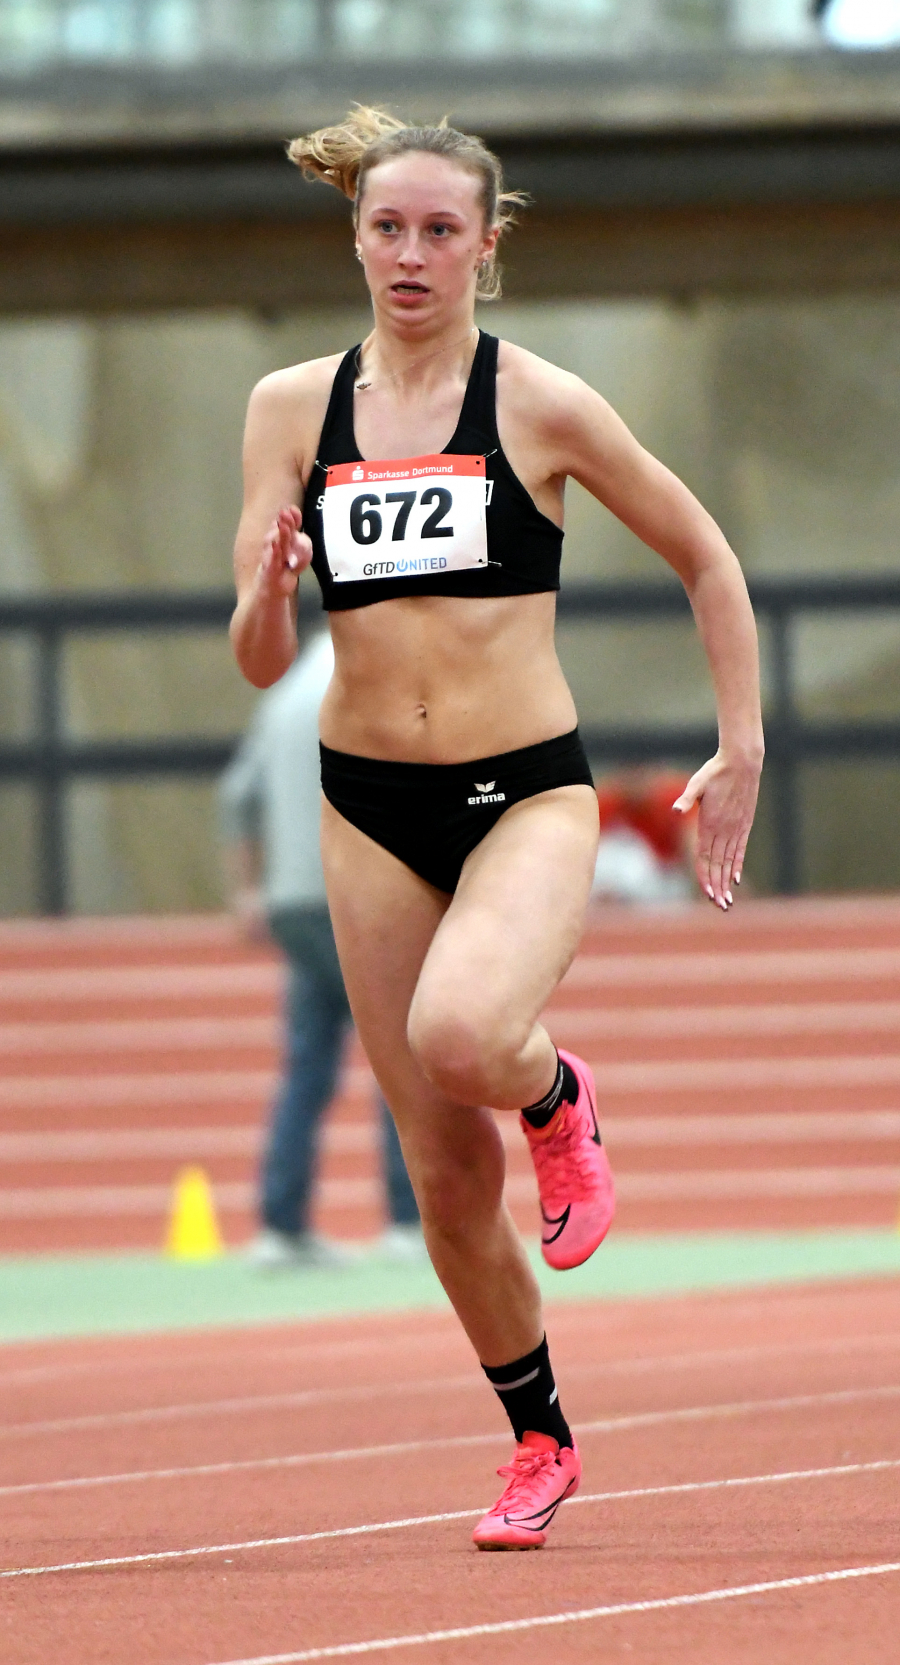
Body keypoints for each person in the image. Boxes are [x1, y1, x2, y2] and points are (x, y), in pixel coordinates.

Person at [229, 107, 763, 1550]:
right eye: (388, 227)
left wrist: (741, 741)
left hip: (522, 788)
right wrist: (271, 592)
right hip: (365, 807)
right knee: (445, 1173)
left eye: (440, 230)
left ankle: (559, 1100)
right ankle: (538, 1440)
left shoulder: (542, 405)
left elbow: (707, 555)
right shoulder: (291, 408)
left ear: (486, 244)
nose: (411, 253)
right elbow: (262, 660)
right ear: (355, 234)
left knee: (470, 1035)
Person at [219, 625, 423, 1269]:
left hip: (291, 901)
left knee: (307, 1066)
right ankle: (408, 1217)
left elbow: (235, 795)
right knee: (399, 1055)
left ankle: (281, 1224)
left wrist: (246, 891)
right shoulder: (372, 679)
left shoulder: (283, 698)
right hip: (355, 896)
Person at [591, 765, 699, 905]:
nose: (636, 785)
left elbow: (695, 844)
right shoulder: (607, 801)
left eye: (641, 776)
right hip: (616, 885)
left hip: (666, 882)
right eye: (631, 777)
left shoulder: (675, 799)